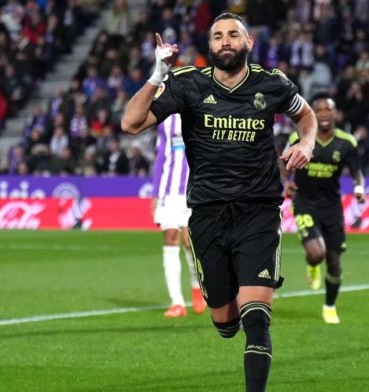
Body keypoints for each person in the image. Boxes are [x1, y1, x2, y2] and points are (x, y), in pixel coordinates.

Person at [121, 13, 317, 392]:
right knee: (226, 323)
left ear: (249, 42)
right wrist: (158, 73)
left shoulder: (271, 83)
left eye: (232, 35)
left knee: (257, 316)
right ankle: (226, 313)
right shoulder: (186, 84)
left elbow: (305, 114)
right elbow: (131, 123)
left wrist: (306, 142)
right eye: (217, 37)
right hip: (208, 214)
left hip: (258, 210)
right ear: (209, 46)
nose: (225, 41)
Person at [283, 92, 365, 325]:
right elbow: (282, 160)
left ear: (335, 113)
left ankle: (329, 306)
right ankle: (312, 266)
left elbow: (357, 172)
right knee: (316, 253)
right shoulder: (300, 137)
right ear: (313, 114)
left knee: (334, 261)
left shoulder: (346, 142)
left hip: (332, 207)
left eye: (328, 110)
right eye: (318, 110)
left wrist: (359, 189)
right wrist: (287, 182)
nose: (324, 114)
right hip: (304, 202)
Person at [151, 113, 206, 318]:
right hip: (169, 190)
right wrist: (155, 193)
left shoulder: (201, 110)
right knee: (170, 236)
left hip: (195, 189)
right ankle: (177, 302)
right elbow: (160, 157)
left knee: (189, 241)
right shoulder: (165, 119)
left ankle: (196, 286)